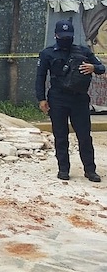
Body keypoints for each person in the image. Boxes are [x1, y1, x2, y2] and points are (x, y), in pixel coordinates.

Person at [35, 19, 105, 182]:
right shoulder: (48, 53)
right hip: (58, 99)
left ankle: (90, 170)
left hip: (79, 99)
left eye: (69, 36)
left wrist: (93, 68)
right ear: (56, 35)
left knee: (84, 136)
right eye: (63, 36)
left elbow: (101, 68)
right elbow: (40, 77)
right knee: (61, 136)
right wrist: (41, 99)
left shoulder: (83, 51)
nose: (66, 39)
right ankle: (63, 169)